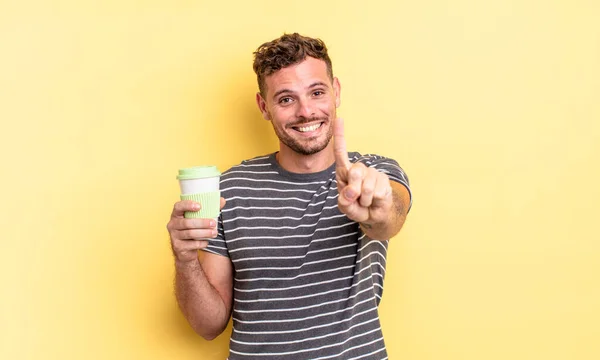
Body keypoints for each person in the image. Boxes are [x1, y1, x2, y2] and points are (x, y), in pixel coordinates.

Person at [167, 33, 412, 359]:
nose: (306, 111)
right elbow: (208, 326)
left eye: (317, 92)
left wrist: (375, 208)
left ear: (335, 91)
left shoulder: (374, 173)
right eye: (286, 99)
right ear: (263, 106)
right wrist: (184, 260)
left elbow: (390, 218)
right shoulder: (230, 189)